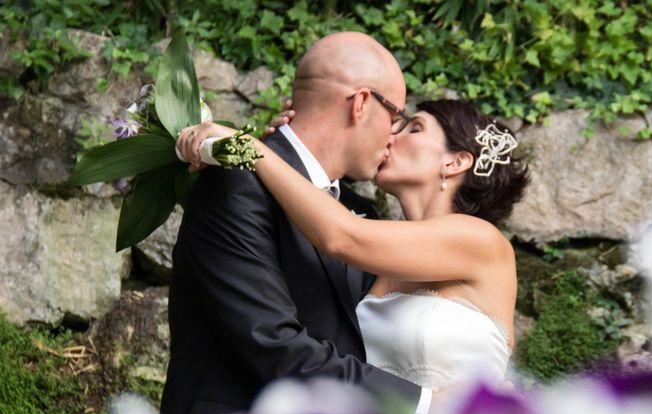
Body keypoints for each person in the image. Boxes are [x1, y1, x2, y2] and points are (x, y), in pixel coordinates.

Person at [160, 32, 427, 414]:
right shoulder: (234, 182)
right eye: (395, 116)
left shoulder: (358, 212)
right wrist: (424, 409)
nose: (394, 137)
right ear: (360, 104)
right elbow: (272, 343)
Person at [175, 95, 530, 394]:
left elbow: (339, 235)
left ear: (456, 161)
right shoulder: (377, 239)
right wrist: (291, 147)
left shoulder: (480, 241)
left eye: (414, 127)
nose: (392, 134)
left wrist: (253, 150)